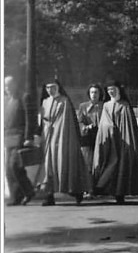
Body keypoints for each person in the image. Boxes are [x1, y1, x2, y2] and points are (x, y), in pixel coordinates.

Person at [92, 80, 138, 204]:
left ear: (118, 90)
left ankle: (120, 193)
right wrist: (110, 129)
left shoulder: (124, 105)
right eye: (109, 90)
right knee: (110, 163)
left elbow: (129, 126)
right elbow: (104, 123)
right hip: (111, 140)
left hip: (123, 141)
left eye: (113, 89)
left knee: (122, 165)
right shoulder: (107, 105)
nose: (111, 92)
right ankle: (106, 189)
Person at [39, 79, 89, 206]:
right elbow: (43, 120)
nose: (50, 90)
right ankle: (49, 195)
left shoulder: (64, 101)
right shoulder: (45, 102)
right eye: (47, 87)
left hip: (62, 137)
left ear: (58, 88)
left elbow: (66, 122)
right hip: (48, 138)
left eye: (52, 87)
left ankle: (75, 190)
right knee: (48, 166)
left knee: (63, 162)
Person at [4, 76, 35, 205]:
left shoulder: (24, 97)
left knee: (15, 166)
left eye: (10, 85)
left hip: (20, 137)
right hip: (8, 138)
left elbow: (30, 119)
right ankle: (16, 197)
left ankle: (28, 192)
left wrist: (28, 137)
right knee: (8, 169)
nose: (8, 88)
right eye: (6, 86)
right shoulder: (5, 99)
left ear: (15, 84)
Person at [76, 83, 105, 196]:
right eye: (92, 92)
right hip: (87, 138)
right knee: (88, 164)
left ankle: (99, 188)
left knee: (99, 163)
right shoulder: (83, 106)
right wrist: (85, 127)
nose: (94, 95)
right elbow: (79, 121)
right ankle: (88, 188)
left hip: (101, 138)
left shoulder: (104, 106)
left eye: (96, 92)